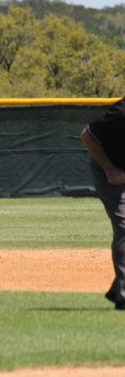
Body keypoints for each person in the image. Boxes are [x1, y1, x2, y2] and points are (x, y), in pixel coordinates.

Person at [81, 96, 125, 310]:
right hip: (110, 169)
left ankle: (118, 289)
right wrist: (109, 169)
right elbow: (88, 135)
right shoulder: (122, 112)